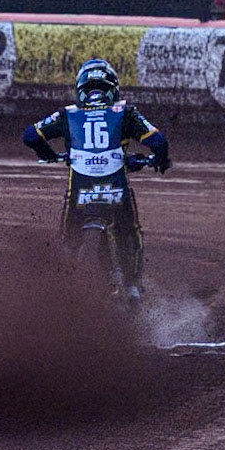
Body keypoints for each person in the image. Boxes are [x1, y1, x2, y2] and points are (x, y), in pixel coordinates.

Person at [23, 59, 172, 301]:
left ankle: (60, 292)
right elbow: (159, 142)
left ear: (80, 88)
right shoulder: (125, 112)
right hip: (116, 192)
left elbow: (30, 135)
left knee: (68, 241)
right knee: (128, 232)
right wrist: (159, 160)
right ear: (113, 87)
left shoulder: (68, 114)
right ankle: (132, 284)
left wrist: (47, 154)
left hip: (79, 195)